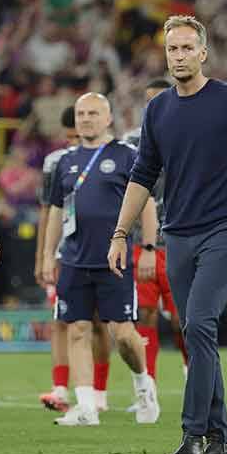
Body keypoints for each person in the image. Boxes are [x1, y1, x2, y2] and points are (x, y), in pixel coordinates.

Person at [109, 15, 227, 454]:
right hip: (177, 235)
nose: (179, 56)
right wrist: (120, 233)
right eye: (172, 49)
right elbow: (142, 175)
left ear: (203, 53)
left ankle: (193, 436)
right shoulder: (158, 109)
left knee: (200, 325)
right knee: (196, 332)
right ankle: (221, 442)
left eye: (187, 48)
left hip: (226, 228)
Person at [42, 92, 160, 426]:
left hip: (115, 259)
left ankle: (143, 383)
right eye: (81, 113)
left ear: (108, 118)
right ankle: (86, 407)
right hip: (75, 260)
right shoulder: (65, 161)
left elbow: (146, 204)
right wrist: (50, 255)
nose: (86, 119)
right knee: (77, 330)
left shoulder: (127, 156)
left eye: (94, 113)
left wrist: (148, 248)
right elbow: (55, 211)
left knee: (122, 333)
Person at [36, 107, 115, 413]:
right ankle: (60, 387)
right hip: (64, 253)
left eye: (75, 135)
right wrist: (43, 254)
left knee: (98, 324)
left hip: (97, 250)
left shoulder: (109, 157)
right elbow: (49, 210)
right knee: (62, 319)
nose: (72, 141)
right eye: (68, 136)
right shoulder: (57, 162)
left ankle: (100, 390)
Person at [124, 78, 188, 390]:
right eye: (147, 100)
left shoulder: (190, 137)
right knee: (145, 314)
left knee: (184, 318)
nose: (153, 106)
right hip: (141, 243)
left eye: (158, 99)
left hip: (181, 240)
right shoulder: (131, 143)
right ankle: (148, 384)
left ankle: (194, 375)